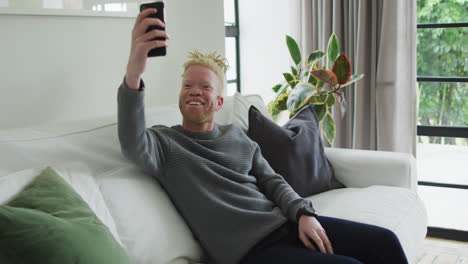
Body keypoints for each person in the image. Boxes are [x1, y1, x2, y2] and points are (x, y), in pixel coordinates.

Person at [118, 8, 408, 264]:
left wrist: (304, 214)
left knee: (385, 244)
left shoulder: (237, 136)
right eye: (187, 85)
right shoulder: (164, 144)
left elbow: (272, 181)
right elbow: (132, 142)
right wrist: (134, 68)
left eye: (205, 87)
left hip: (286, 224)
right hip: (251, 252)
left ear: (219, 102)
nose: (194, 91)